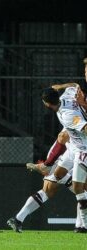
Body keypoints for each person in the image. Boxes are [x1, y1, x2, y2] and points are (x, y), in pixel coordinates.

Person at [40, 85, 87, 231]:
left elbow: (85, 128)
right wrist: (59, 86)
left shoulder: (68, 116)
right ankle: (83, 225)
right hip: (76, 148)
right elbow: (74, 85)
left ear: (47, 104)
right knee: (75, 185)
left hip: (83, 150)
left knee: (79, 188)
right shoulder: (67, 94)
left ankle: (84, 224)